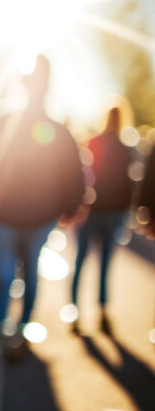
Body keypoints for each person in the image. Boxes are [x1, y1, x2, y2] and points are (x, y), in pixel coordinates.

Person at [0, 56, 84, 348]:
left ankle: (5, 332)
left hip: (17, 215)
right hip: (22, 215)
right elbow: (73, 173)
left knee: (11, 273)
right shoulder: (52, 130)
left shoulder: (15, 127)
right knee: (23, 273)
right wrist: (70, 207)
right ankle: (12, 331)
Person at [70, 106, 134, 334]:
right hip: (111, 213)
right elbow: (129, 185)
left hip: (95, 211)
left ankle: (75, 311)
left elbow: (85, 177)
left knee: (82, 261)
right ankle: (101, 311)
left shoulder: (95, 142)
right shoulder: (125, 148)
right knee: (103, 264)